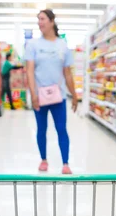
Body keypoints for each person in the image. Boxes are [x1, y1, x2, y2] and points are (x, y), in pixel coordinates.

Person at [25, 9, 78, 175]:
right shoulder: (33, 45)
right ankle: (43, 160)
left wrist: (74, 95)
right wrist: (33, 94)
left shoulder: (62, 46)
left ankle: (65, 163)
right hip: (39, 96)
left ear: (52, 21)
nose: (40, 22)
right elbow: (29, 71)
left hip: (58, 97)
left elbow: (67, 73)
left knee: (61, 129)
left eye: (43, 19)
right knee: (41, 129)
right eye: (38, 19)